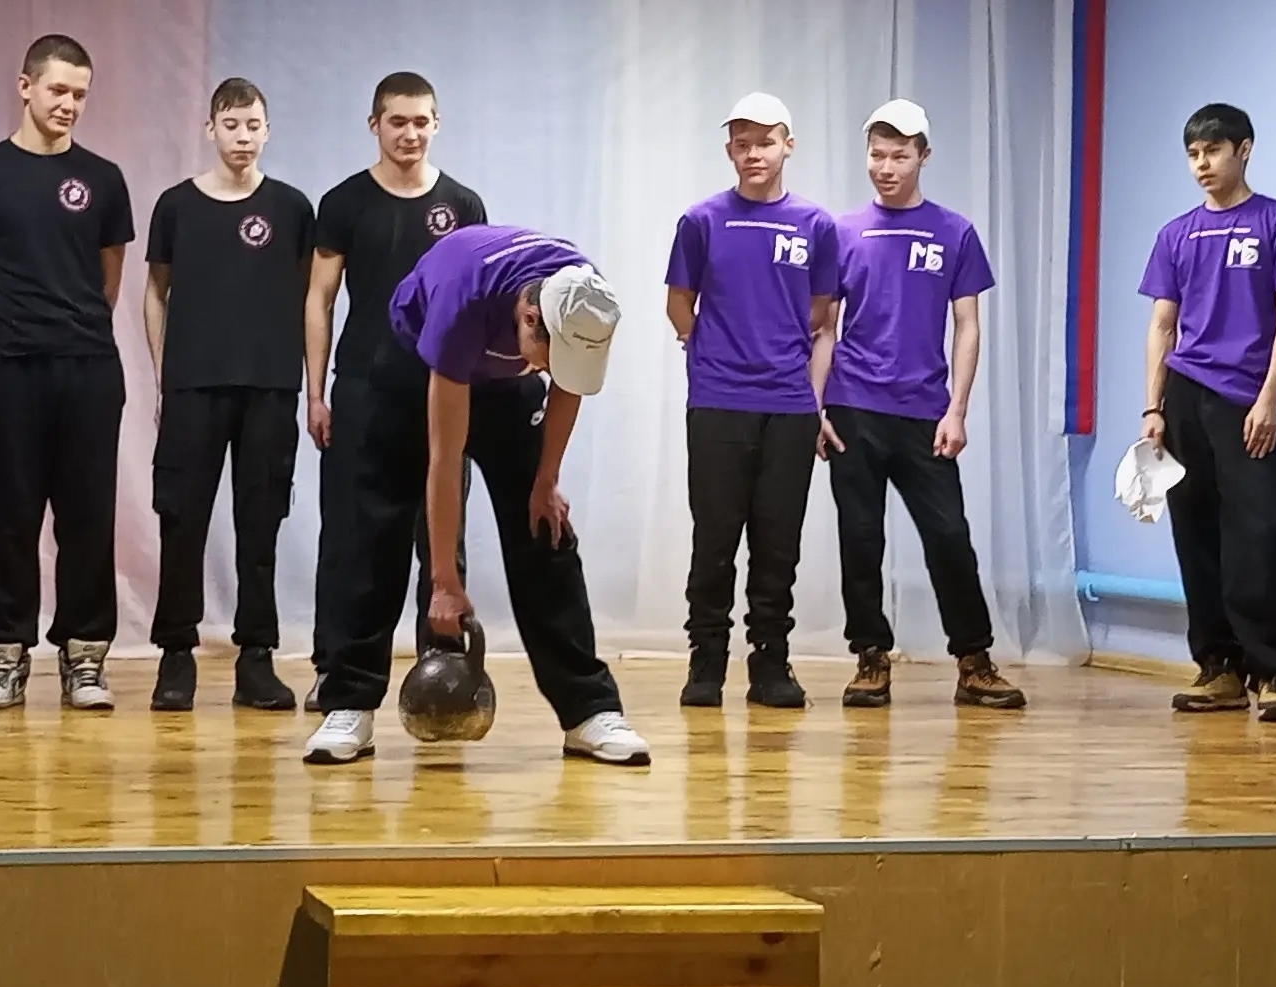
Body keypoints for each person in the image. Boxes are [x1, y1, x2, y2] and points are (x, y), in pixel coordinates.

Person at [303, 224, 651, 768]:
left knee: (546, 530)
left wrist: (546, 480)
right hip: (413, 372)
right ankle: (349, 703)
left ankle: (590, 709)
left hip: (505, 387)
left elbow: (570, 386)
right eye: (550, 355)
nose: (553, 369)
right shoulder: (462, 301)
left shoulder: (584, 298)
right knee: (376, 530)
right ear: (529, 318)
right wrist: (445, 583)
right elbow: (445, 461)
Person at [0, 34, 136, 710]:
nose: (68, 104)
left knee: (88, 516)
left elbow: (108, 280)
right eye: (57, 89)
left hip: (88, 370)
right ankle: (4, 657)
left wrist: (72, 333)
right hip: (11, 373)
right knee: (10, 515)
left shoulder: (103, 178)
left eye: (80, 94)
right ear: (25, 86)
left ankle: (85, 659)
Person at [817, 99, 1025, 711]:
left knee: (948, 534)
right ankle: (870, 657)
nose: (886, 167)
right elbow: (823, 327)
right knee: (861, 537)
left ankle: (974, 660)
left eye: (900, 156)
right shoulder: (842, 232)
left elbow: (967, 325)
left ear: (923, 157)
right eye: (877, 155)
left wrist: (957, 408)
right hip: (853, 406)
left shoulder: (954, 232)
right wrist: (815, 407)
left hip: (924, 410)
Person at [303, 72, 485, 712]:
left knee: (441, 536)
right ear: (375, 125)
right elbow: (319, 299)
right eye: (397, 121)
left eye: (420, 122)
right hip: (363, 390)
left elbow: (480, 305)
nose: (410, 133)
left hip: (441, 392)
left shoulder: (463, 204)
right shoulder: (344, 202)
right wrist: (316, 393)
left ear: (437, 125)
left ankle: (444, 671)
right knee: (350, 539)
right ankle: (335, 670)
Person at [142, 79, 315, 712]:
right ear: (210, 128)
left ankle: (257, 657)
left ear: (268, 131)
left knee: (260, 522)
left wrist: (307, 378)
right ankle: (176, 654)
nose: (242, 137)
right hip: (193, 385)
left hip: (269, 386)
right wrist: (163, 376)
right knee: (181, 518)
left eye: (253, 125)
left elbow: (308, 294)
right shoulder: (176, 206)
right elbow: (156, 291)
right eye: (231, 124)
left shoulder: (292, 208)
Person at [664, 92, 839, 709]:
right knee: (714, 538)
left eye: (765, 142)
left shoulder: (816, 225)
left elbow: (821, 316)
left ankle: (771, 663)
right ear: (729, 151)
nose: (754, 154)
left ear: (788, 145)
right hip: (719, 401)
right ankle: (706, 661)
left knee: (777, 541)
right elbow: (678, 303)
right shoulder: (702, 221)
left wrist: (808, 393)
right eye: (742, 144)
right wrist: (711, 349)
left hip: (789, 406)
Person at [1140, 102, 1276, 724]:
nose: (1202, 164)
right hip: (1186, 395)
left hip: (1248, 399)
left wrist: (1269, 398)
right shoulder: (1176, 234)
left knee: (1260, 532)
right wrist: (1153, 408)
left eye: (1212, 151)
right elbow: (1163, 325)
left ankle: (1275, 672)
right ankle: (1220, 668)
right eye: (1192, 154)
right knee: (1196, 532)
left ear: (1244, 149)